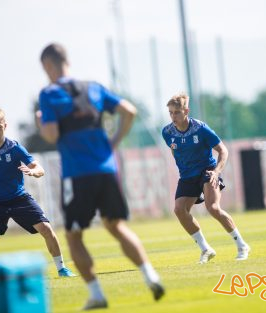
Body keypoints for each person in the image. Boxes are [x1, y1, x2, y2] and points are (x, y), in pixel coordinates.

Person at [37, 43, 164, 310]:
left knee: (73, 235)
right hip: (106, 169)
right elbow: (129, 111)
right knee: (116, 226)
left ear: (48, 66)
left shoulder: (49, 93)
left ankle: (96, 294)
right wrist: (114, 142)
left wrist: (40, 121)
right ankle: (150, 275)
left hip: (77, 173)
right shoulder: (93, 86)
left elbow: (51, 135)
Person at [0, 107, 75, 277]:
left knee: (46, 228)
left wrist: (33, 172)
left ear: (5, 126)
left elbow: (39, 168)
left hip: (18, 198)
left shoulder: (14, 147)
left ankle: (62, 268)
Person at [162, 93, 250, 264]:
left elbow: (223, 150)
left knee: (213, 207)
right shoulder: (167, 132)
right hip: (187, 175)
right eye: (171, 113)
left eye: (177, 112)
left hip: (207, 171)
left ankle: (242, 245)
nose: (173, 116)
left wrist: (216, 171)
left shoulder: (201, 129)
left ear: (186, 111)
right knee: (179, 210)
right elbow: (175, 150)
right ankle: (206, 249)